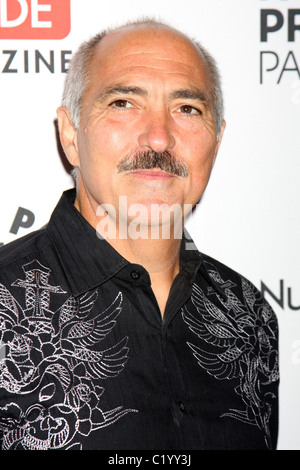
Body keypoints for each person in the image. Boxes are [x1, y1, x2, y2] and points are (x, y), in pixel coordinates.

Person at [0, 18, 279, 451]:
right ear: (71, 134)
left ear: (217, 141)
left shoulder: (248, 316)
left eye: (188, 109)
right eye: (124, 102)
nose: (159, 137)